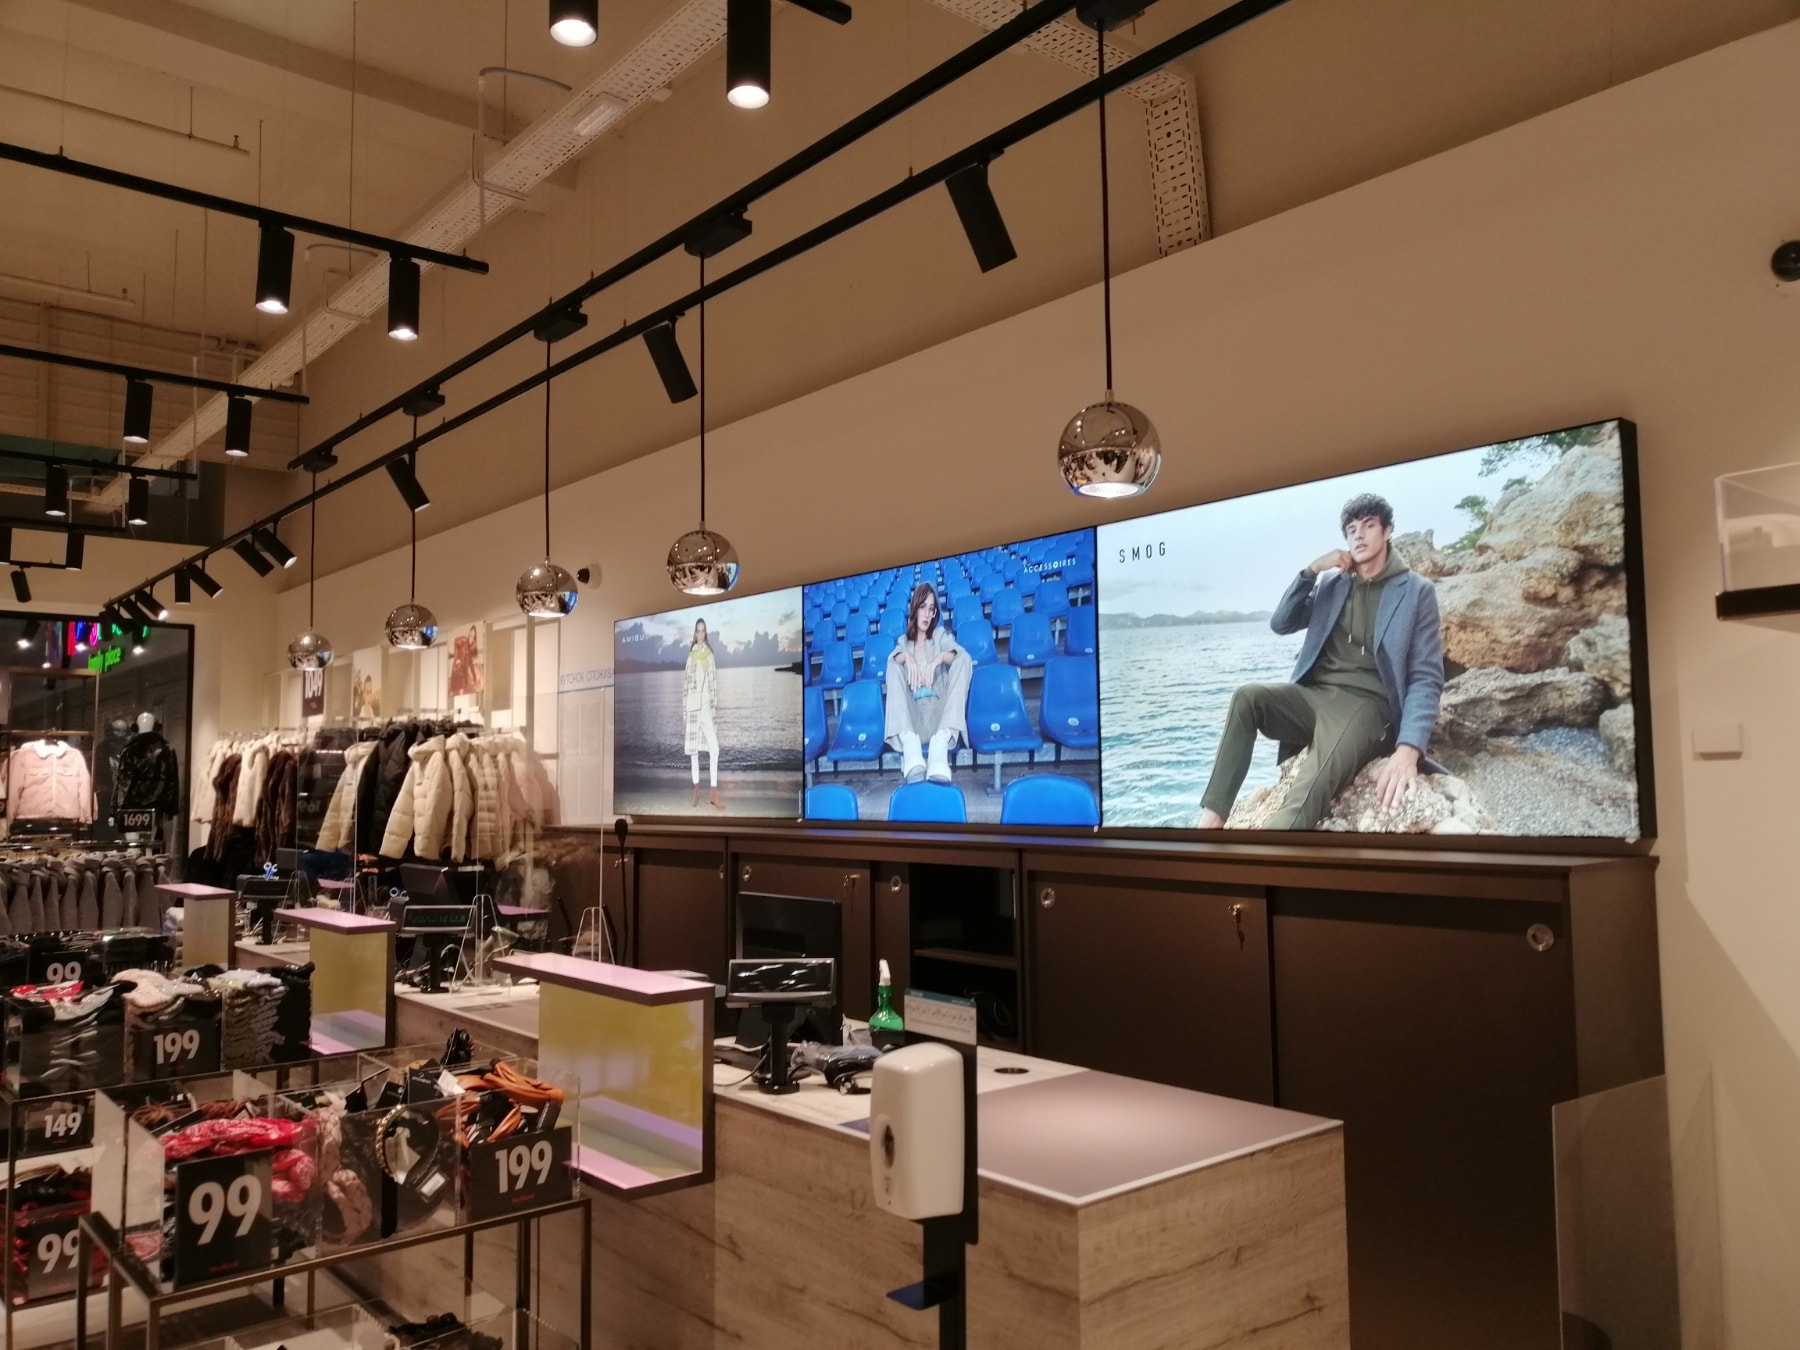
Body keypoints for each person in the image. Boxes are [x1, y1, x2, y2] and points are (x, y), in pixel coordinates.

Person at [1197, 492, 1444, 830]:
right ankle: (1211, 822)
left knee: (1307, 790)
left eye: (1369, 525)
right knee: (1247, 698)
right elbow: (1281, 623)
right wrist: (1312, 570)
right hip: (1316, 697)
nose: (1359, 535)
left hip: (1369, 707)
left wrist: (1408, 751)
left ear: (1388, 531)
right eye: (1352, 529)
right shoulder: (1333, 584)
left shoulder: (1416, 591)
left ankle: (1265, 851)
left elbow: (1426, 677)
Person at [884, 584, 972, 784]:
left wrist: (938, 660)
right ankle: (910, 747)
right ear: (914, 608)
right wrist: (907, 657)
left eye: (931, 609)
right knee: (892, 666)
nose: (926, 614)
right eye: (922, 607)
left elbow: (960, 654)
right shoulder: (904, 642)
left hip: (939, 717)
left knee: (964, 660)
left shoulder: (939, 636)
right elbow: (892, 659)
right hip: (912, 720)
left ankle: (940, 747)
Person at [684, 618, 722, 808]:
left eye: (703, 630)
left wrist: (714, 706)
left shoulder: (710, 656)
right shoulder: (690, 657)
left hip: (706, 708)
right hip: (692, 709)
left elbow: (714, 683)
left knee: (715, 749)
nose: (700, 634)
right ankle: (696, 791)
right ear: (695, 633)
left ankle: (713, 792)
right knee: (694, 752)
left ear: (706, 633)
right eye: (698, 631)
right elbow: (685, 686)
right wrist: (684, 712)